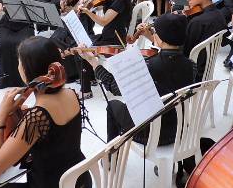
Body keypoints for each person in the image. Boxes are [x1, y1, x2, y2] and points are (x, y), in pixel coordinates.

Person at [0, 36, 92, 188]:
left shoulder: (37, 117)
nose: (18, 65)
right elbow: (56, 137)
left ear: (27, 71)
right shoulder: (72, 94)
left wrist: (1, 115)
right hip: (81, 185)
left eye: (20, 62)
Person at [77, 13, 194, 144]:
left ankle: (111, 157)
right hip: (179, 129)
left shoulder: (149, 66)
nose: (153, 34)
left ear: (160, 40)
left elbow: (114, 87)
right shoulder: (191, 65)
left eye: (155, 32)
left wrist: (94, 63)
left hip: (149, 134)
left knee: (113, 105)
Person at [78, 0, 132, 98]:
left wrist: (87, 12)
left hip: (115, 39)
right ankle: (91, 78)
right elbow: (101, 3)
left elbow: (103, 21)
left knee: (82, 50)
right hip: (108, 34)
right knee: (82, 43)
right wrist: (87, 1)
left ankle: (86, 90)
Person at [183, 0, 227, 81]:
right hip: (206, 70)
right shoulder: (220, 15)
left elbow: (184, 54)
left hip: (193, 75)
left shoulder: (197, 22)